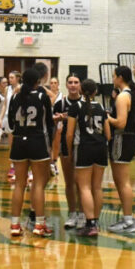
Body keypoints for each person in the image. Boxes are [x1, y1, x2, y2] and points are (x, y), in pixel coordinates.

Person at [6, 68, 55, 237]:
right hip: (37, 141)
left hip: (19, 141)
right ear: (38, 82)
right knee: (39, 184)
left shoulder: (14, 97)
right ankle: (39, 225)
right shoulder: (42, 96)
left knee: (19, 184)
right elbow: (49, 122)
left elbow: (11, 124)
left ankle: (14, 225)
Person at [68, 79, 111, 237]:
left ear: (80, 90)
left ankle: (90, 222)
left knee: (84, 187)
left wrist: (70, 150)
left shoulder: (76, 107)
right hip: (101, 148)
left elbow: (70, 133)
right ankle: (96, 221)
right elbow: (108, 134)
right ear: (95, 92)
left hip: (84, 148)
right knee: (97, 187)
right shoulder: (101, 107)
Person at [106, 66, 135, 234]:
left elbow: (120, 123)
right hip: (127, 139)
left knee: (123, 182)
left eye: (114, 76)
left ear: (120, 77)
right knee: (120, 182)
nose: (113, 79)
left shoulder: (122, 96)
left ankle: (128, 221)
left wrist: (107, 118)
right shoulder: (129, 94)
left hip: (122, 139)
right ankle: (126, 219)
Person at [54, 75, 83, 228]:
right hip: (66, 145)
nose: (73, 85)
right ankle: (72, 214)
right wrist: (58, 118)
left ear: (80, 85)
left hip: (82, 145)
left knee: (82, 183)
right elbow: (51, 119)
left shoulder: (85, 103)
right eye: (70, 82)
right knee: (69, 182)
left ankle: (83, 214)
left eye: (76, 82)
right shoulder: (60, 103)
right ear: (66, 85)